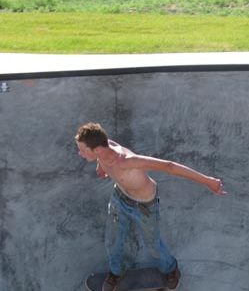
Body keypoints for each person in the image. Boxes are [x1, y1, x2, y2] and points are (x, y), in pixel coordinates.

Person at [75, 122, 226, 291]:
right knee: (113, 240)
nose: (79, 153)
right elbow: (101, 158)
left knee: (153, 245)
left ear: (95, 149)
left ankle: (171, 270)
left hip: (144, 206)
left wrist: (208, 181)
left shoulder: (126, 161)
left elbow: (169, 166)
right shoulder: (102, 148)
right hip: (119, 198)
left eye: (82, 150)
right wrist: (101, 168)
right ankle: (116, 272)